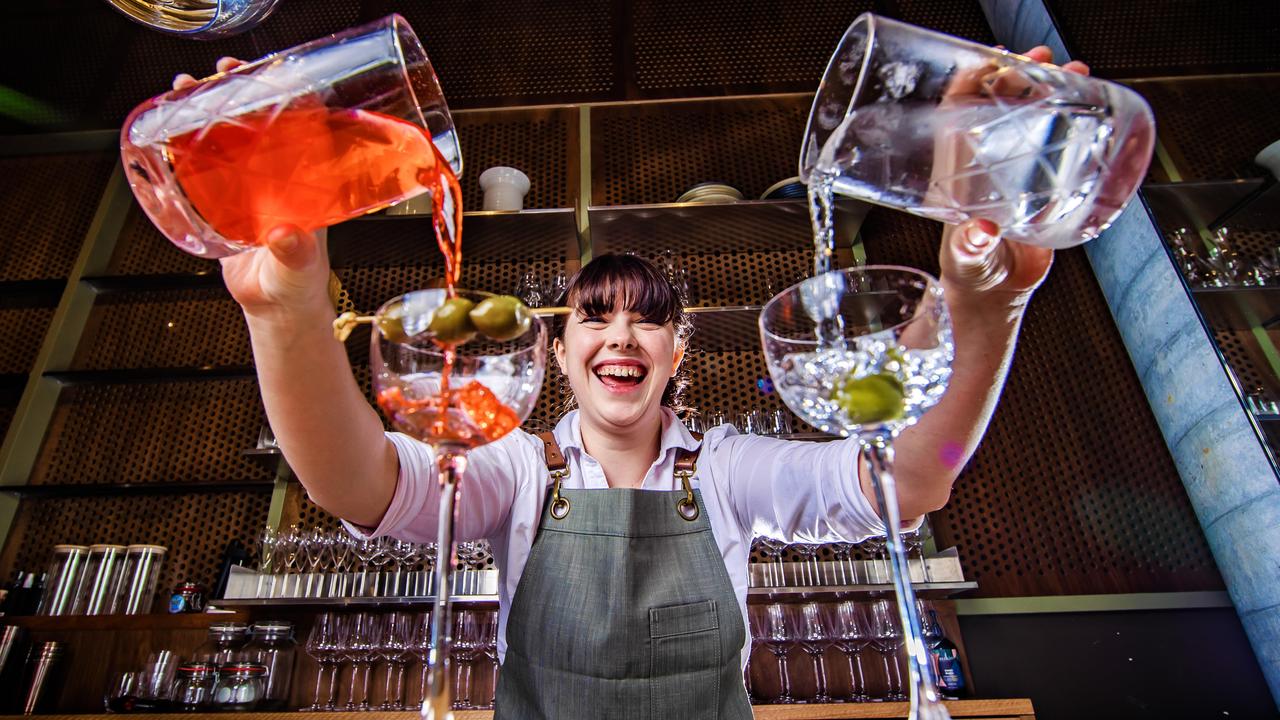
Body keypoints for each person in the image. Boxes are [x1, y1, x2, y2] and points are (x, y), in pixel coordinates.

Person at [183, 46, 1087, 719]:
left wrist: (983, 305)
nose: (622, 333)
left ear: (677, 353)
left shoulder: (727, 470)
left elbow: (916, 480)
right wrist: (285, 310)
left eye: (648, 316)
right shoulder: (514, 468)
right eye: (596, 316)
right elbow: (356, 482)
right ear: (560, 351)